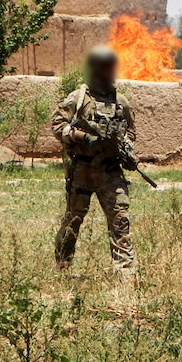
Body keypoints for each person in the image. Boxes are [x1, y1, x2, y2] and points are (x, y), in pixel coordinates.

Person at [51, 46, 136, 273]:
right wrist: (83, 138)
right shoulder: (78, 98)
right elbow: (58, 126)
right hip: (83, 169)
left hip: (110, 171)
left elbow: (131, 131)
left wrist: (126, 150)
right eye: (102, 67)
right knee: (73, 222)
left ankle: (125, 276)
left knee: (120, 222)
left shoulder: (121, 102)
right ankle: (62, 267)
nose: (107, 72)